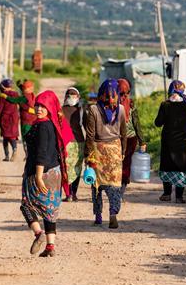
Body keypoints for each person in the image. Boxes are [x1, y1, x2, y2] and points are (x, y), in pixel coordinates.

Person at [20, 90, 74, 257]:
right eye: (37, 105)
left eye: (43, 106)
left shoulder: (43, 126)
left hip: (42, 173)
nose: (38, 109)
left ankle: (38, 234)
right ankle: (50, 247)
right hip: (53, 172)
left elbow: (42, 152)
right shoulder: (50, 124)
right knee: (50, 210)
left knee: (27, 205)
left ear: (50, 107)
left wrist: (38, 176)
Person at [83, 79, 127, 228]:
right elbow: (123, 133)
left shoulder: (93, 110)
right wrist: (123, 151)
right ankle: (113, 213)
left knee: (96, 184)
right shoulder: (121, 109)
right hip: (115, 150)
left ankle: (98, 216)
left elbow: (90, 135)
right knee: (114, 185)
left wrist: (87, 154)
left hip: (97, 149)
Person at [155, 80, 186, 203]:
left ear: (171, 90)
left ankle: (167, 194)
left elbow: (158, 123)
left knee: (167, 165)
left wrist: (163, 110)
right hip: (183, 142)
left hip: (168, 141)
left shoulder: (165, 105)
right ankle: (179, 197)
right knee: (181, 167)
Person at [117, 79, 145, 188]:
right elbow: (136, 123)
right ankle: (122, 184)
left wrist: (142, 141)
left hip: (117, 138)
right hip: (130, 138)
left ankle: (118, 184)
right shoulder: (131, 103)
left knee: (116, 162)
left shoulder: (112, 102)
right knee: (126, 162)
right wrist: (142, 141)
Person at [61, 87, 85, 202]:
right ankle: (73, 194)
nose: (71, 97)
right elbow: (87, 127)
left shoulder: (60, 110)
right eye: (70, 95)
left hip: (67, 142)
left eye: (73, 95)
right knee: (76, 168)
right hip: (78, 142)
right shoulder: (81, 110)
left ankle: (69, 194)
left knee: (67, 168)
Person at [0, 79, 21, 161]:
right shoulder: (16, 94)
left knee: (5, 138)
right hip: (15, 118)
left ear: (3, 87)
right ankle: (15, 149)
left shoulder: (3, 96)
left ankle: (7, 156)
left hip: (5, 119)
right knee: (13, 136)